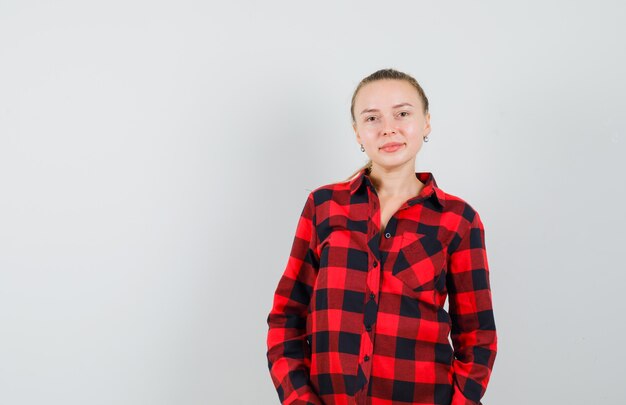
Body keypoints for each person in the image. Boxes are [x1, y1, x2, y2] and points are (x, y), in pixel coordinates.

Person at [266, 68, 497, 405]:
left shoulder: (458, 220)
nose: (388, 127)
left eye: (402, 113)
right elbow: (286, 317)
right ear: (358, 133)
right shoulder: (324, 207)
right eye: (372, 118)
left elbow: (478, 338)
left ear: (426, 123)